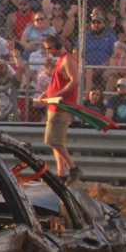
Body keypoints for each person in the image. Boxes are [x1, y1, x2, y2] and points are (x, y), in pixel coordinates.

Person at [40, 34, 78, 179]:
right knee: (56, 141)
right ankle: (61, 173)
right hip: (53, 104)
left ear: (58, 45)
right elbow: (57, 83)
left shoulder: (68, 59)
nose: (48, 51)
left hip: (61, 106)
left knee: (52, 140)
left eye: (50, 48)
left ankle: (73, 168)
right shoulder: (60, 60)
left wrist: (56, 96)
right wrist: (46, 93)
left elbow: (75, 82)